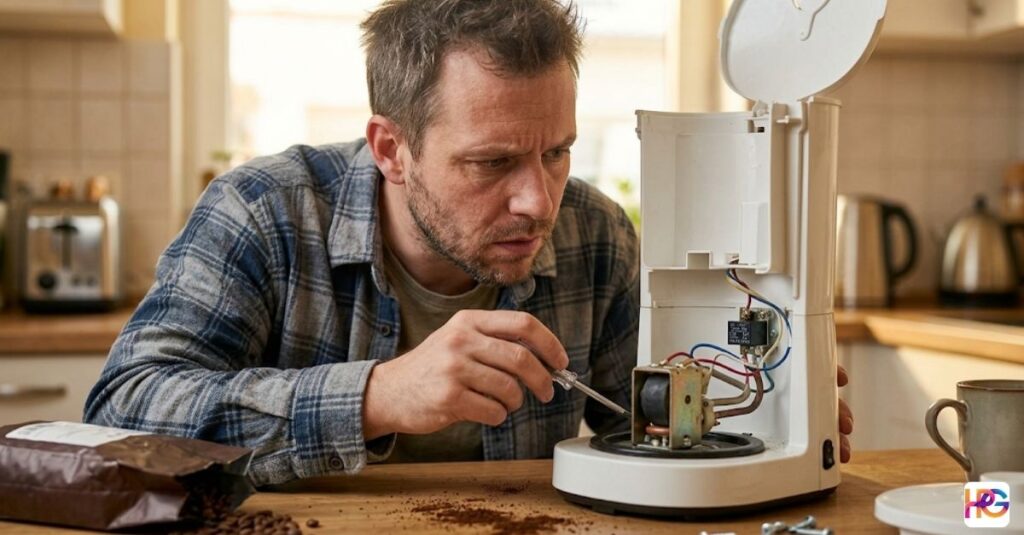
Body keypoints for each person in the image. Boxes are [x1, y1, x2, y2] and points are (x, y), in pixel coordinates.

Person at [84, 0, 853, 486]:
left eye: (557, 151)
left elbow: (643, 425)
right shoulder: (265, 213)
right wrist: (379, 395)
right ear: (392, 148)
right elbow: (121, 412)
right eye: (492, 162)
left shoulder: (597, 237)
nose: (538, 200)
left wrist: (761, 410)